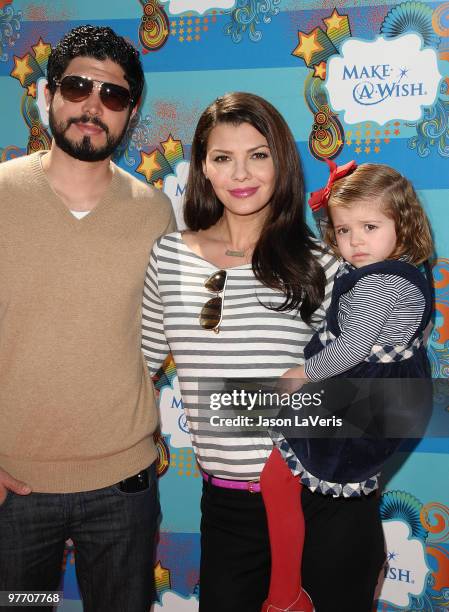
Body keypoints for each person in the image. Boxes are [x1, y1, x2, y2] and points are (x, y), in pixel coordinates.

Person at [141, 92, 386, 612]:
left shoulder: (322, 263)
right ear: (203, 168)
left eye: (258, 154)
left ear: (281, 161)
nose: (241, 173)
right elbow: (134, 369)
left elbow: (368, 397)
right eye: (222, 157)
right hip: (229, 509)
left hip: (322, 504)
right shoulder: (168, 256)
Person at [0, 25, 174, 612]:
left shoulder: (154, 211)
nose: (92, 106)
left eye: (113, 95)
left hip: (123, 489)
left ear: (130, 114)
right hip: (13, 494)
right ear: (49, 95)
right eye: (77, 87)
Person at [264, 160, 434, 611]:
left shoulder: (383, 283)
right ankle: (289, 588)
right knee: (284, 482)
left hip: (367, 402)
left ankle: (285, 593)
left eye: (370, 226)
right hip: (377, 399)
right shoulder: (386, 271)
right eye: (342, 231)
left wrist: (304, 374)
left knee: (278, 476)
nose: (354, 241)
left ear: (405, 224)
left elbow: (354, 345)